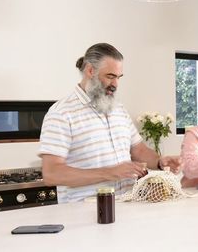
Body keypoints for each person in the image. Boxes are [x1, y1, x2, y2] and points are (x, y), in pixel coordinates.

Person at [39, 43, 181, 203]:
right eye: (110, 76)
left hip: (127, 207)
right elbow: (52, 174)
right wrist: (109, 173)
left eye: (118, 77)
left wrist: (160, 161)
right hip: (84, 216)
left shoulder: (118, 109)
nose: (115, 84)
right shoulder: (61, 113)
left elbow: (139, 150)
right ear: (90, 70)